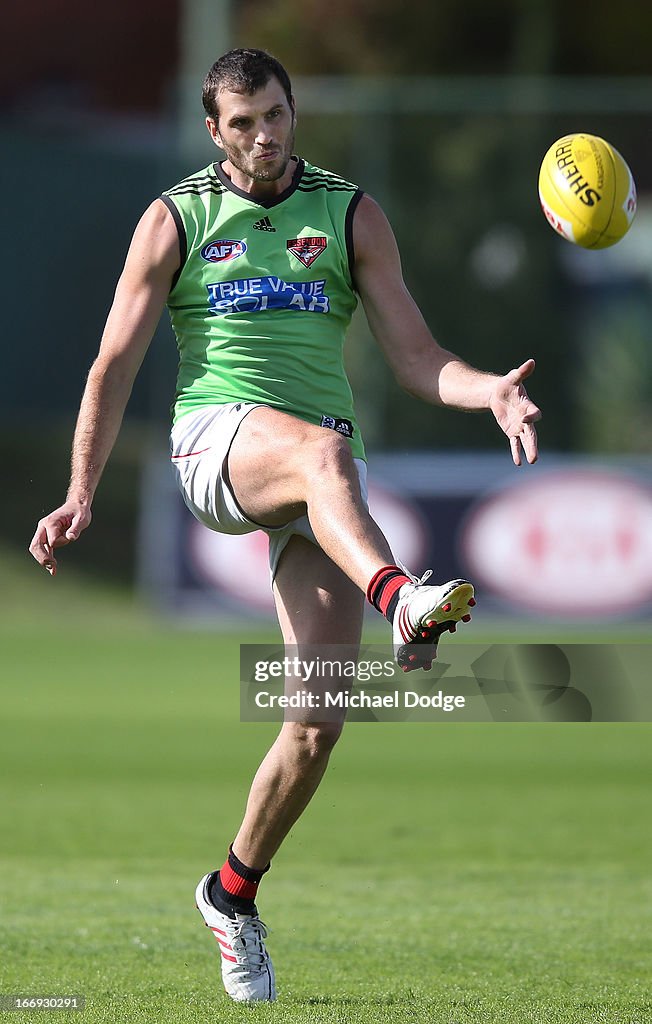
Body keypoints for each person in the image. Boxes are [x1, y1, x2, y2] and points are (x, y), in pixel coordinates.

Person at [29, 48, 540, 1003]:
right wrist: (82, 492)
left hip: (311, 475)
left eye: (277, 114)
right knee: (325, 453)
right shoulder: (176, 219)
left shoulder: (350, 213)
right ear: (214, 132)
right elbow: (112, 366)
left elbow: (420, 356)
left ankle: (231, 893)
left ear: (293, 111)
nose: (267, 136)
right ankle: (401, 596)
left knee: (315, 723)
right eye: (245, 123)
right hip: (213, 446)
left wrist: (490, 396)